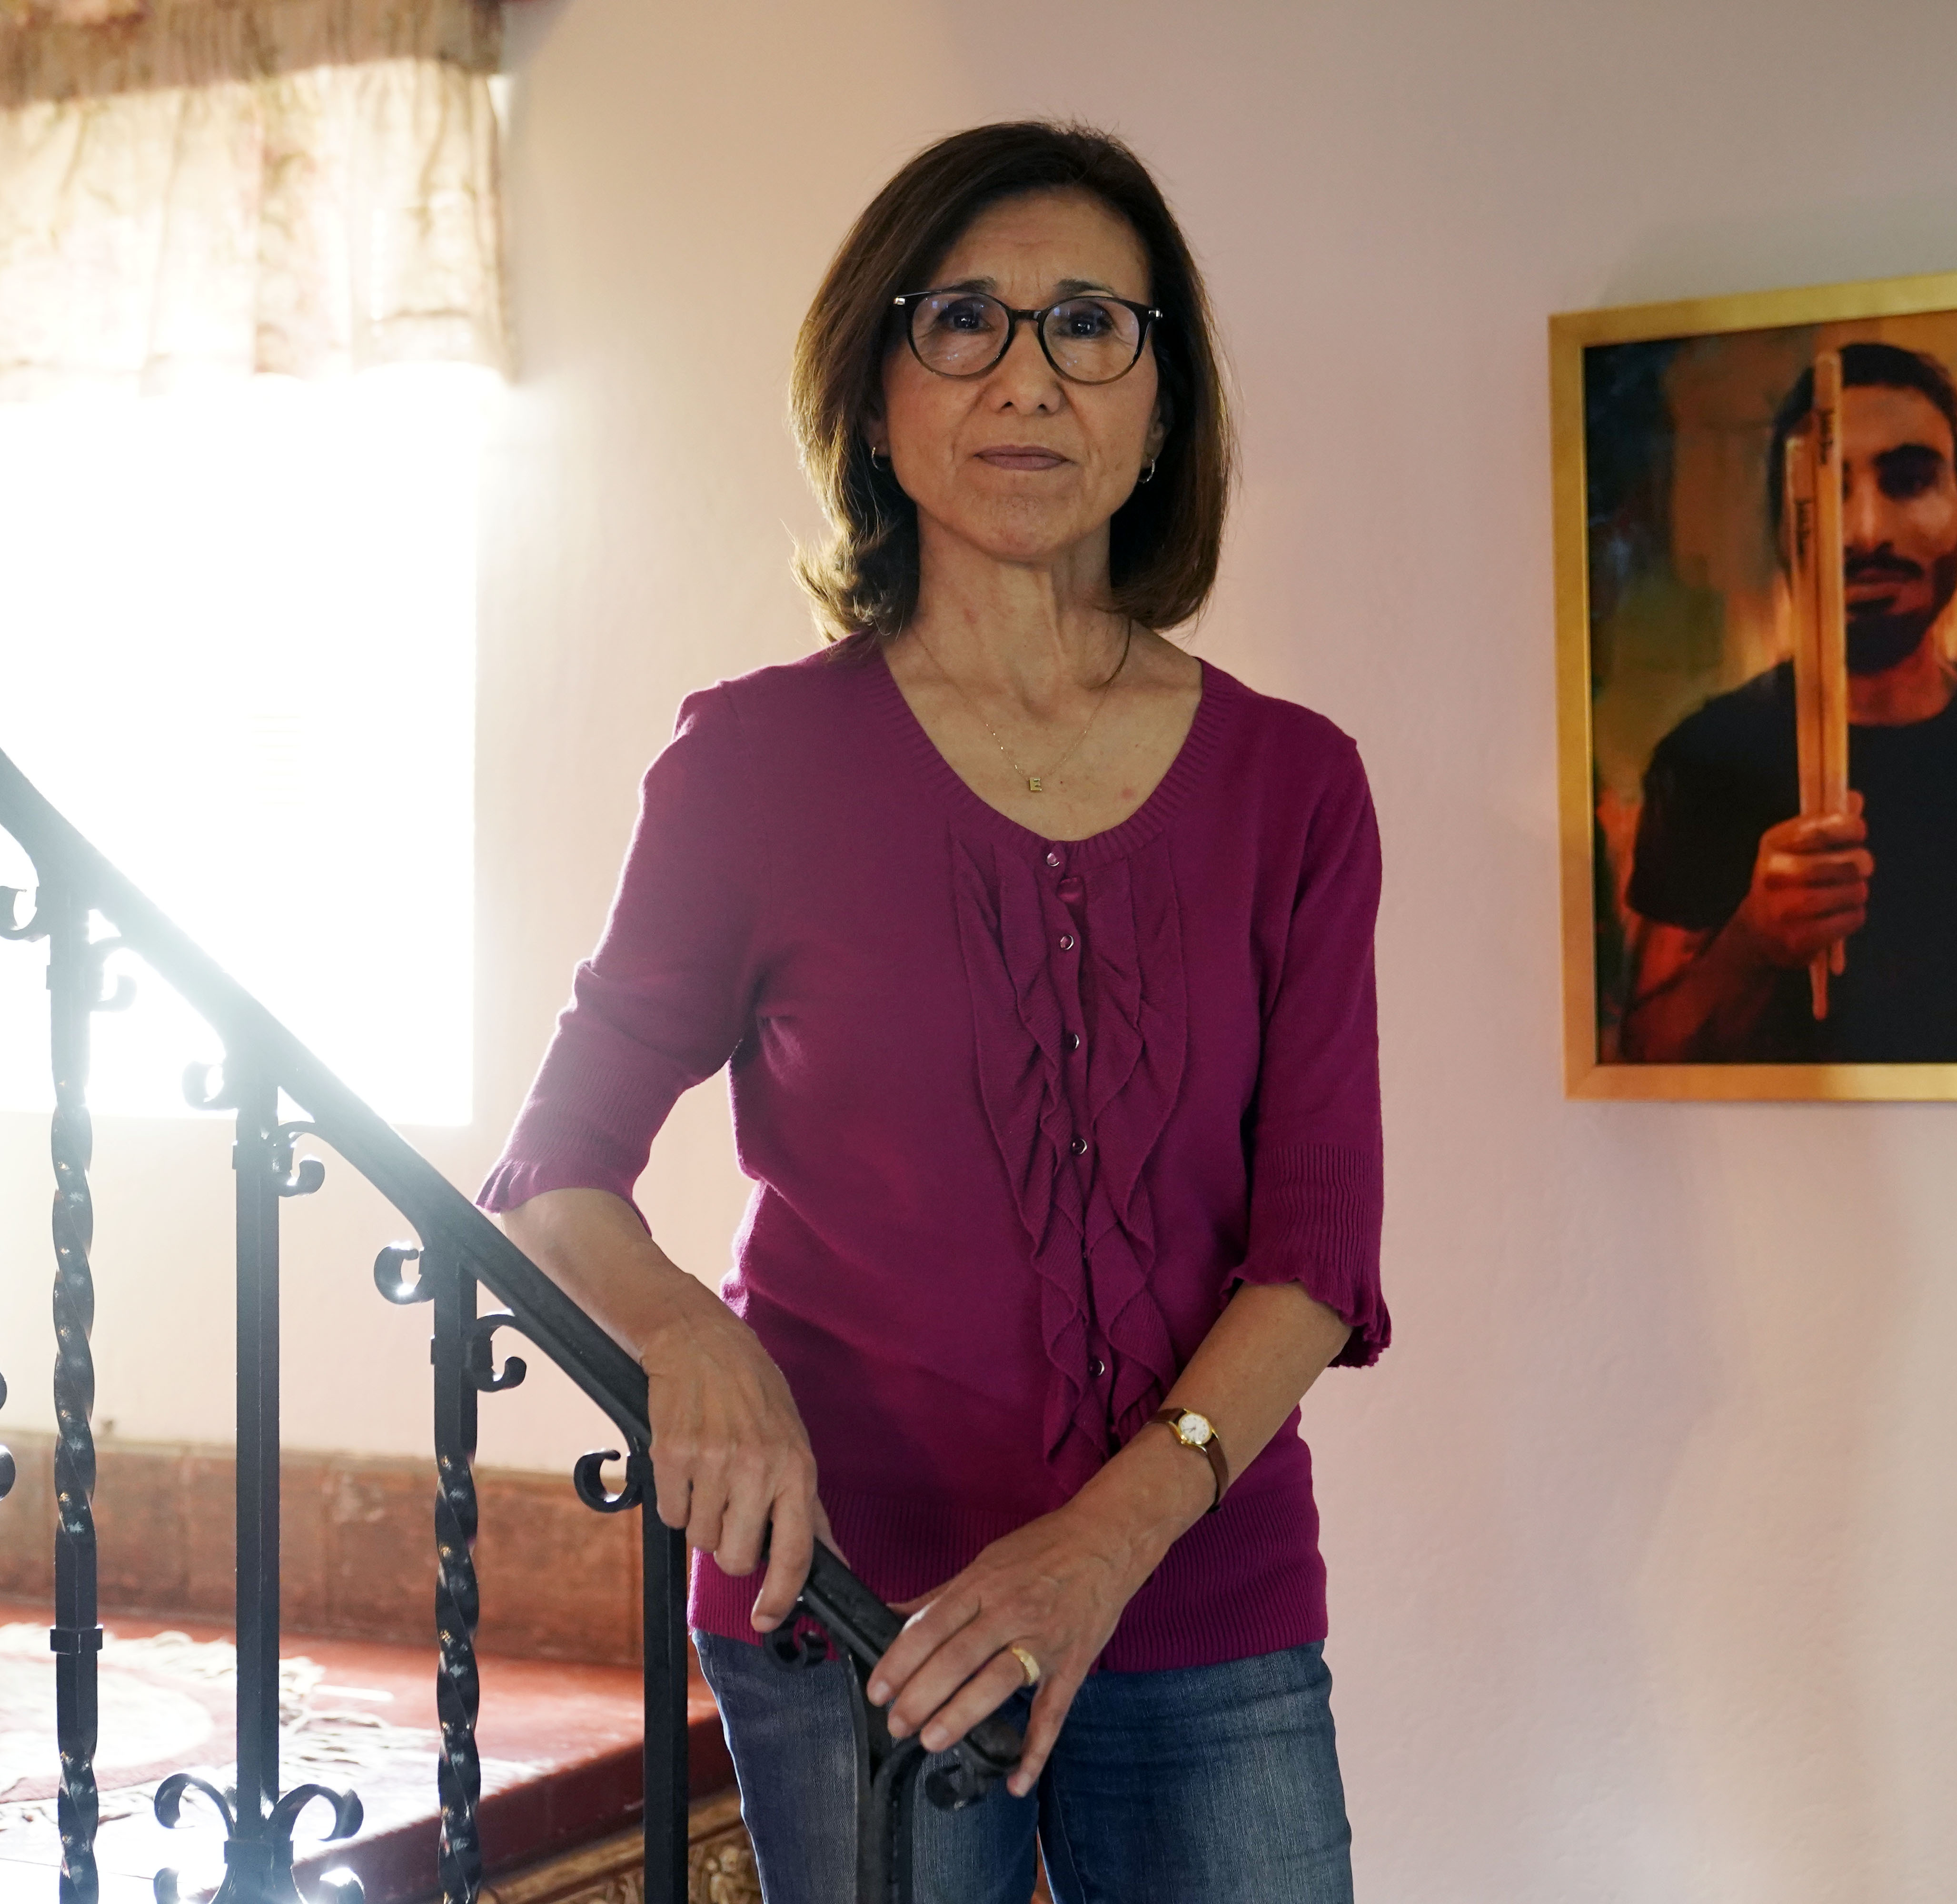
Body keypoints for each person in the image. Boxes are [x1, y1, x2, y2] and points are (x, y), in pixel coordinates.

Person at [481, 122, 1384, 1904]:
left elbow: (1316, 1255)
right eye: (963, 321)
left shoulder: (1295, 788)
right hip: (848, 1608)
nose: (1027, 378)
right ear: (877, 399)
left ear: (1160, 410)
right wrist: (690, 1338)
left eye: (1090, 326)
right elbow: (552, 1176)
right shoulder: (751, 766)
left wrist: (1098, 1549)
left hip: (1203, 1602)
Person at [1617, 341, 1957, 1063]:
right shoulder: (1704, 762)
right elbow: (1644, 1055)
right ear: (1783, 534)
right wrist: (1752, 943)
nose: (1865, 532)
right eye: (1825, 494)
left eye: (1909, 482)